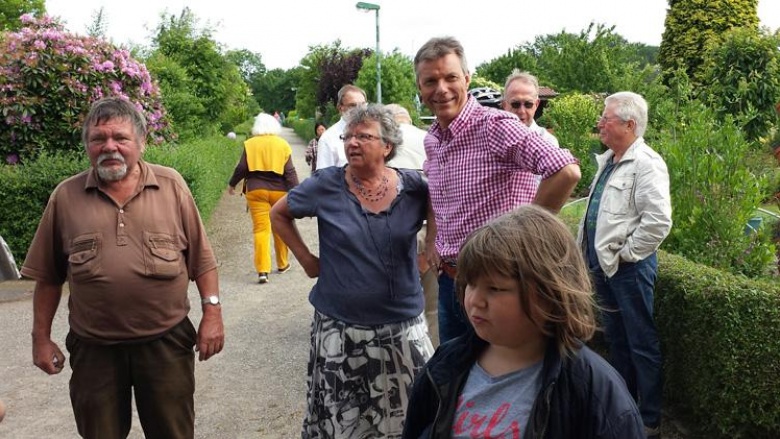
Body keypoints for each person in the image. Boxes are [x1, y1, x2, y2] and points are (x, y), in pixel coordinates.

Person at [21, 97, 225, 439]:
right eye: (98, 139)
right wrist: (40, 339)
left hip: (166, 343)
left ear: (141, 142)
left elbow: (202, 261)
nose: (109, 147)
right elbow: (48, 278)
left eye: (120, 138)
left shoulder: (171, 186)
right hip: (94, 349)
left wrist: (213, 314)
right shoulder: (65, 197)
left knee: (173, 433)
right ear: (87, 145)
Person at [402, 205, 645, 439]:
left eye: (495, 289)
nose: (475, 300)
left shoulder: (595, 392)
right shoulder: (445, 364)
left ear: (550, 295)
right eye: (470, 284)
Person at [271, 104, 435, 438]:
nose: (352, 143)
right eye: (349, 136)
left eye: (364, 136)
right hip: (340, 328)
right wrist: (306, 260)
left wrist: (429, 251)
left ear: (387, 146)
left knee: (412, 413)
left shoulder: (415, 186)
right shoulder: (326, 184)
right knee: (344, 418)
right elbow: (278, 213)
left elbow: (441, 203)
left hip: (401, 325)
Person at [414, 36, 581, 344]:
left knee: (501, 380)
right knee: (459, 381)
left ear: (466, 78)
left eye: (450, 77)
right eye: (430, 81)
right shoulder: (433, 139)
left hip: (498, 286)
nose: (441, 89)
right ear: (420, 88)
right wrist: (433, 241)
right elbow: (437, 195)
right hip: (450, 284)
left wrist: (519, 240)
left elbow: (565, 171)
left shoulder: (496, 126)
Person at [577, 91, 672, 439]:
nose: (600, 123)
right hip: (605, 268)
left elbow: (658, 222)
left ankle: (648, 420)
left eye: (607, 118)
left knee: (641, 343)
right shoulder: (610, 160)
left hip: (628, 270)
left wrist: (626, 255)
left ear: (630, 125)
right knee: (617, 339)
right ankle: (624, 406)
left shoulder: (647, 163)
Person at [384, 103, 439, 347]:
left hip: (393, 231)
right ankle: (436, 361)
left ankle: (396, 356)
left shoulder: (382, 144)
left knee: (393, 301)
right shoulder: (429, 139)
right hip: (432, 230)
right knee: (433, 307)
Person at [228, 113, 299, 284]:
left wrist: (232, 184)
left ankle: (262, 271)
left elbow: (242, 168)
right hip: (280, 192)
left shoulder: (250, 143)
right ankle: (282, 264)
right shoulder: (282, 144)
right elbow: (289, 172)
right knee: (280, 227)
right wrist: (297, 193)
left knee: (261, 230)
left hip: (256, 191)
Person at [315, 84, 367, 169]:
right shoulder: (328, 138)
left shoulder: (374, 133)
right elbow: (324, 178)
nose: (359, 109)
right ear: (340, 108)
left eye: (363, 105)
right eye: (353, 105)